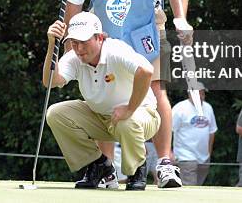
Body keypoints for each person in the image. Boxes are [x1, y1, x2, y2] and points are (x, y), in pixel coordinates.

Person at [65, 0, 189, 188]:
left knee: (156, 88)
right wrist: (73, 44)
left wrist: (180, 19)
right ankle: (106, 169)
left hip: (144, 28)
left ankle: (165, 164)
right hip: (101, 34)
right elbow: (74, 3)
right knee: (100, 97)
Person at [44, 12, 160, 191]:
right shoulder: (76, 57)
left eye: (84, 41)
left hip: (142, 116)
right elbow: (50, 81)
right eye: (74, 42)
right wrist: (52, 44)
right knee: (55, 113)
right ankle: (99, 165)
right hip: (101, 118)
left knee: (126, 122)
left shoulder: (115, 50)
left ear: (99, 37)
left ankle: (136, 169)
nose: (79, 48)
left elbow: (146, 71)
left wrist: (129, 108)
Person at [171, 82, 217, 185]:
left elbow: (212, 131)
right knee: (190, 188)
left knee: (198, 187)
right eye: (197, 93)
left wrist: (208, 153)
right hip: (185, 157)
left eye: (202, 93)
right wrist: (169, 152)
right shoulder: (180, 108)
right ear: (189, 94)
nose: (200, 96)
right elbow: (168, 130)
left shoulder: (208, 108)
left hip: (204, 158)